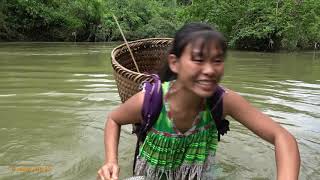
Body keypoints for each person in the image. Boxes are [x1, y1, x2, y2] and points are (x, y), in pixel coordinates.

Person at [97, 23, 300, 180]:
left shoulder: (223, 101)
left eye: (217, 60)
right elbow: (114, 119)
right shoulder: (152, 99)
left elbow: (283, 138)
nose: (210, 70)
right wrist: (111, 161)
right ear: (174, 63)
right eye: (198, 59)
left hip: (198, 173)